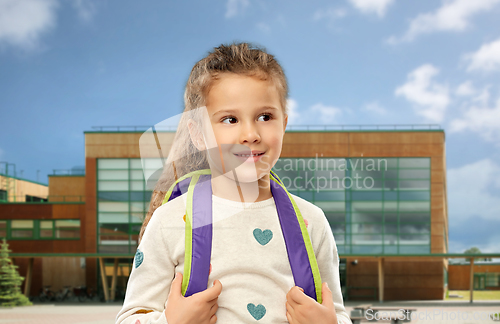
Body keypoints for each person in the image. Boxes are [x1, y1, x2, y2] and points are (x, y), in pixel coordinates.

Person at [116, 42, 351, 324]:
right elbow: (130, 318)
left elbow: (336, 312)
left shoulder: (312, 222)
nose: (250, 134)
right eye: (230, 119)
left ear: (284, 124)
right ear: (198, 134)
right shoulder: (169, 222)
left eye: (265, 117)